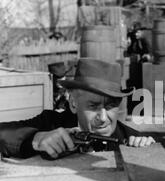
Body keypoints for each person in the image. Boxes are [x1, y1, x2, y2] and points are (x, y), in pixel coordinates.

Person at [0, 58, 156, 160]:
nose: (102, 117)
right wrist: (36, 139)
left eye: (110, 106)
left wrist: (149, 151)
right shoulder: (51, 123)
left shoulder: (130, 138)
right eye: (93, 106)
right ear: (73, 104)